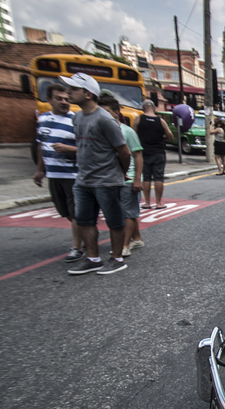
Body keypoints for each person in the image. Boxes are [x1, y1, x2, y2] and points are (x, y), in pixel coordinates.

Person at [60, 73, 132, 276]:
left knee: (114, 220)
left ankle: (117, 258)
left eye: (73, 89)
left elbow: (124, 152)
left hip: (106, 180)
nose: (68, 92)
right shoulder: (77, 117)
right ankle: (93, 259)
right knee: (83, 220)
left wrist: (120, 173)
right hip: (83, 180)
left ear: (88, 94)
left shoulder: (105, 119)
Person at [32, 83, 85, 263]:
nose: (64, 102)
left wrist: (68, 148)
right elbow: (41, 144)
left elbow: (88, 148)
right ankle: (85, 231)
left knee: (76, 212)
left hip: (73, 175)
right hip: (53, 174)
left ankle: (77, 247)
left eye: (66, 99)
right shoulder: (44, 119)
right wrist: (40, 169)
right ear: (49, 100)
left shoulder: (76, 120)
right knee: (64, 211)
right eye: (59, 98)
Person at [99, 95, 144, 256]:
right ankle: (136, 238)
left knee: (128, 213)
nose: (103, 116)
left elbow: (137, 155)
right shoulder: (101, 132)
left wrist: (137, 178)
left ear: (116, 112)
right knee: (123, 212)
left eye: (106, 112)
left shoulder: (127, 131)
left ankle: (124, 246)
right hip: (109, 178)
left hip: (129, 177)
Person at [135, 99, 173, 209]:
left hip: (143, 152)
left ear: (143, 108)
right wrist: (162, 137)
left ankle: (147, 202)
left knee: (146, 178)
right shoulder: (161, 121)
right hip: (158, 152)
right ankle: (158, 203)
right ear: (154, 108)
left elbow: (133, 135)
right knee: (158, 177)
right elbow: (170, 136)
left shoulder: (138, 119)